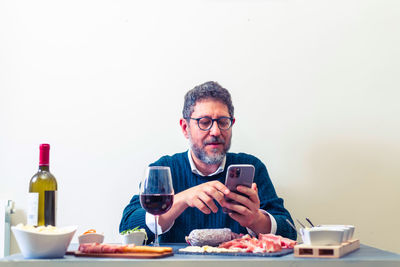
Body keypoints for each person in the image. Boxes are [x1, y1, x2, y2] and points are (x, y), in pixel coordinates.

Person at [120, 81, 297, 243]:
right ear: (185, 128)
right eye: (204, 122)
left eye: (222, 122)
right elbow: (127, 228)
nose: (215, 131)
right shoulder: (164, 170)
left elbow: (289, 231)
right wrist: (181, 200)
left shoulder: (252, 167)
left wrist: (256, 219)